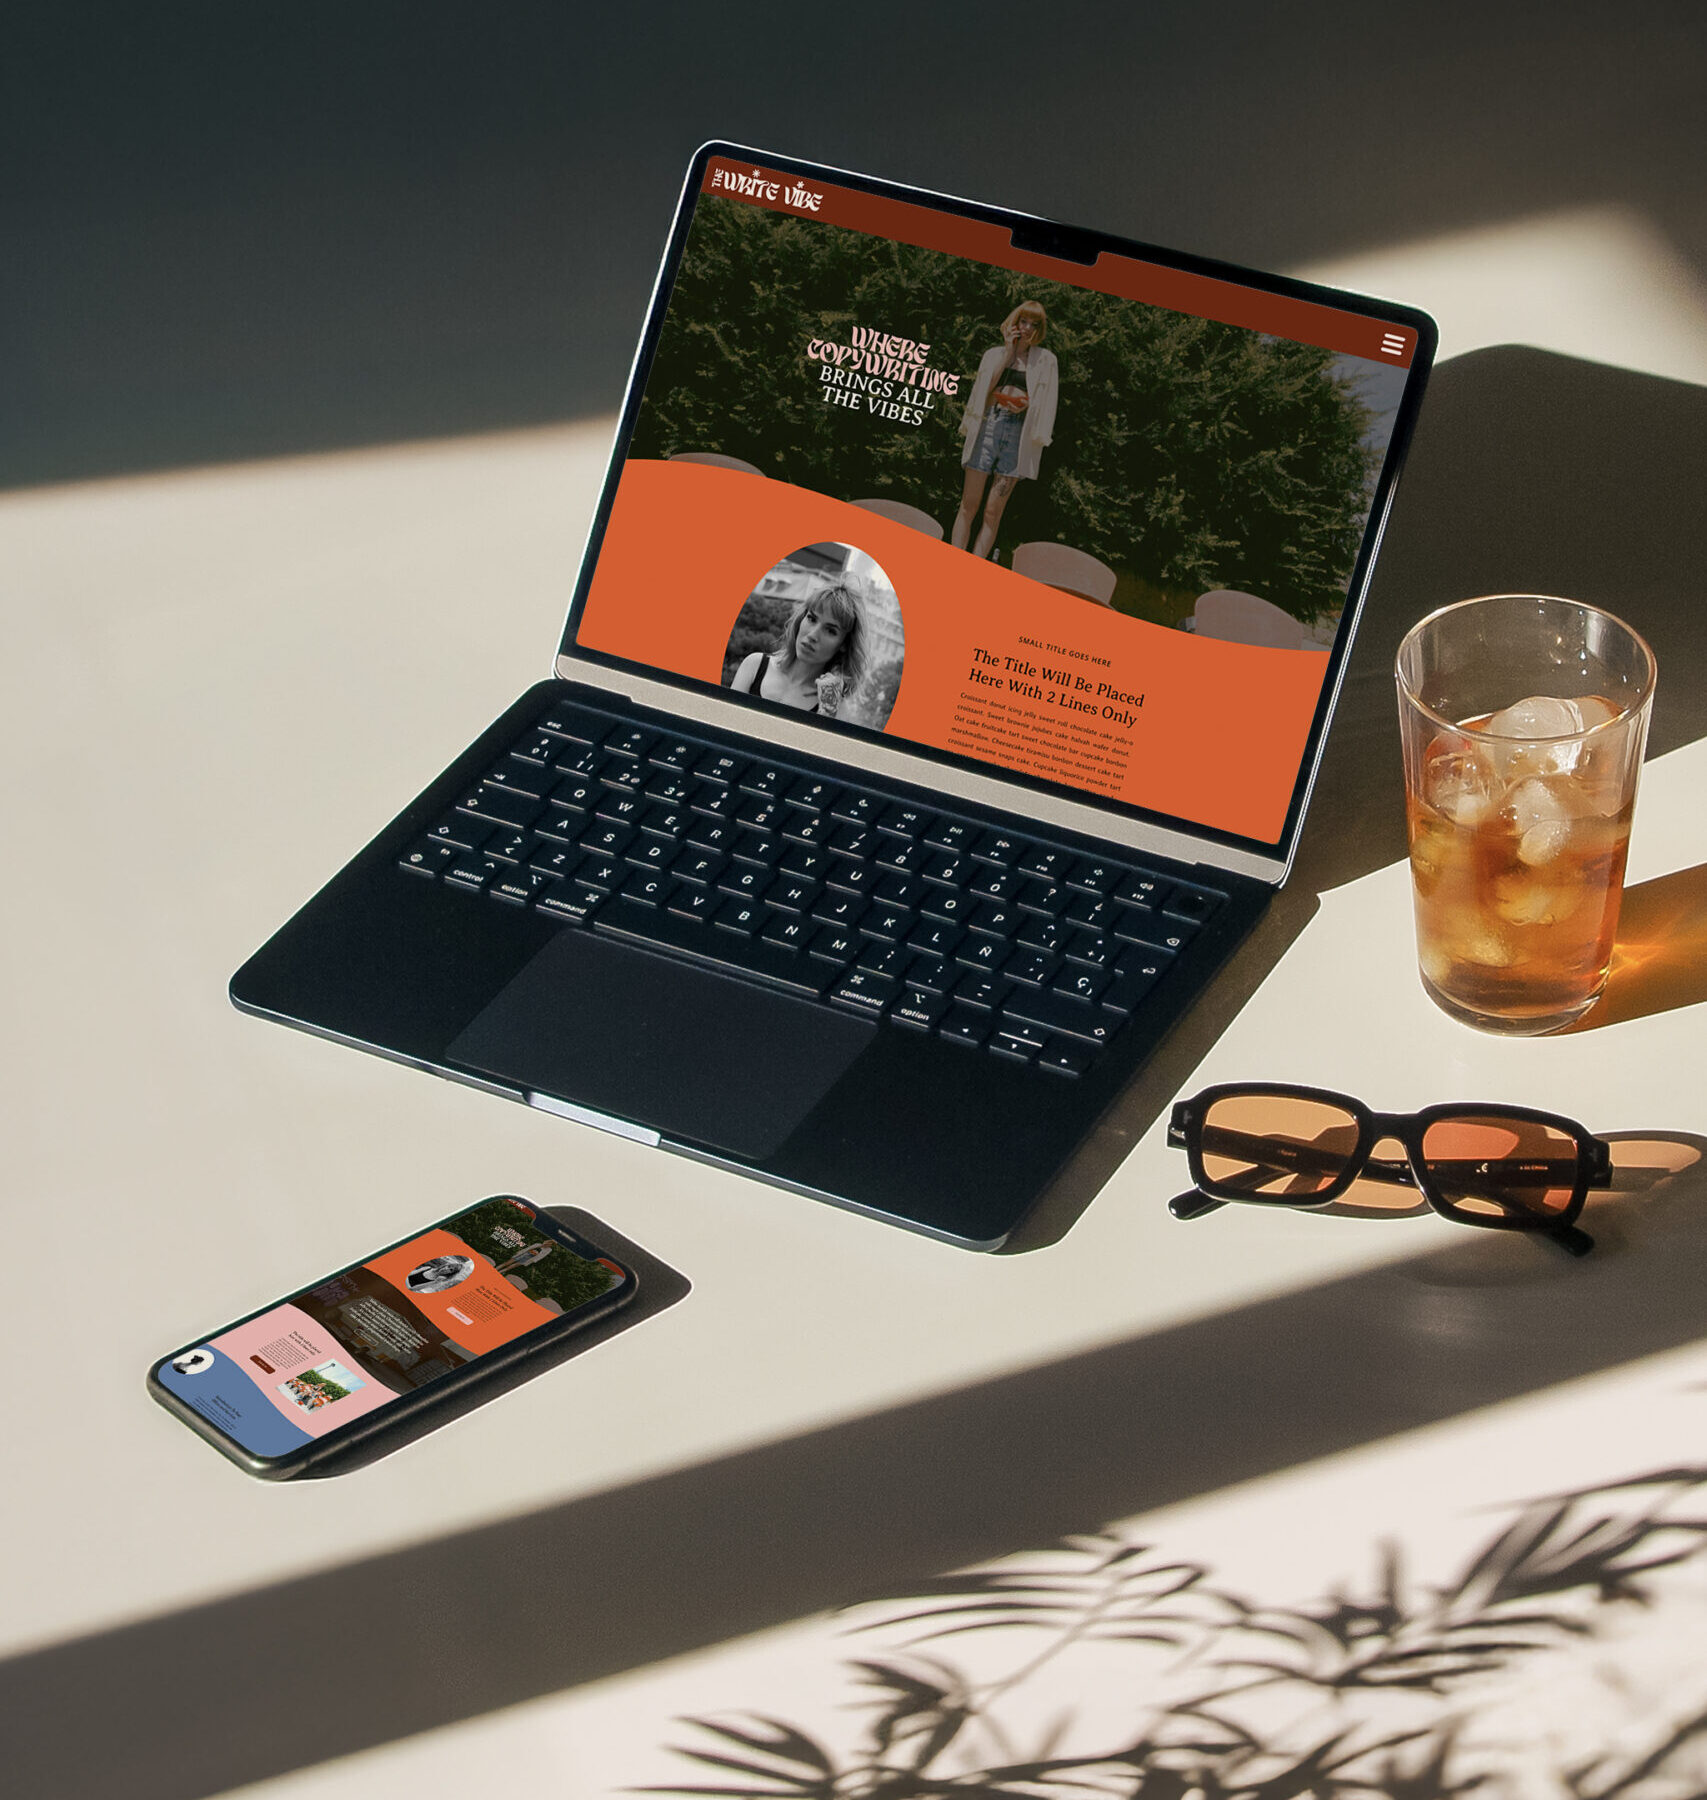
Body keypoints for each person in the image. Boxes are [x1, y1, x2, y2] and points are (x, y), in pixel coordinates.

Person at [951, 301, 1059, 560]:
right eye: (1024, 321)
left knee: (993, 511)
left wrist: (1027, 406)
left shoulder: (1046, 361)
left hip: (1018, 437)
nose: (1028, 328)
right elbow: (981, 392)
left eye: (1035, 324)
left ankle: (974, 566)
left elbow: (1047, 403)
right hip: (989, 426)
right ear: (1015, 321)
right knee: (969, 504)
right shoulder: (994, 354)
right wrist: (1009, 353)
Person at [728, 576, 868, 716]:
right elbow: (724, 726)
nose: (813, 635)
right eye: (812, 619)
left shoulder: (834, 705)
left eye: (831, 630)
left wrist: (827, 713)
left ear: (844, 644)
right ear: (802, 619)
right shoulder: (755, 666)